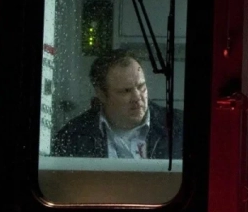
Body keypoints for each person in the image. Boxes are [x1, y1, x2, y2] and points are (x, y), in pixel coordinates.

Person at [52, 48, 183, 159]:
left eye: (141, 86)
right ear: (101, 94)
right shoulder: (72, 137)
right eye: (126, 91)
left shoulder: (180, 128)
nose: (137, 97)